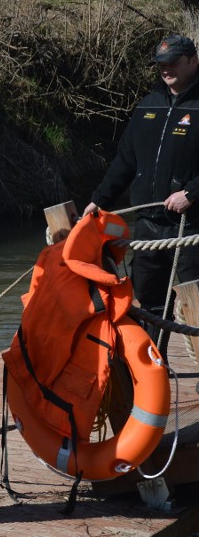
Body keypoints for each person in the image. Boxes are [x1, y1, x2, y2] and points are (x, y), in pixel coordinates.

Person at [83, 33, 199, 358]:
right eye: (161, 63)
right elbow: (125, 162)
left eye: (173, 62)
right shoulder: (148, 106)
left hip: (191, 226)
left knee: (196, 298)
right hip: (148, 225)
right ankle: (154, 366)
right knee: (149, 299)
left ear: (193, 61)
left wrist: (191, 193)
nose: (166, 68)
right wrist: (99, 201)